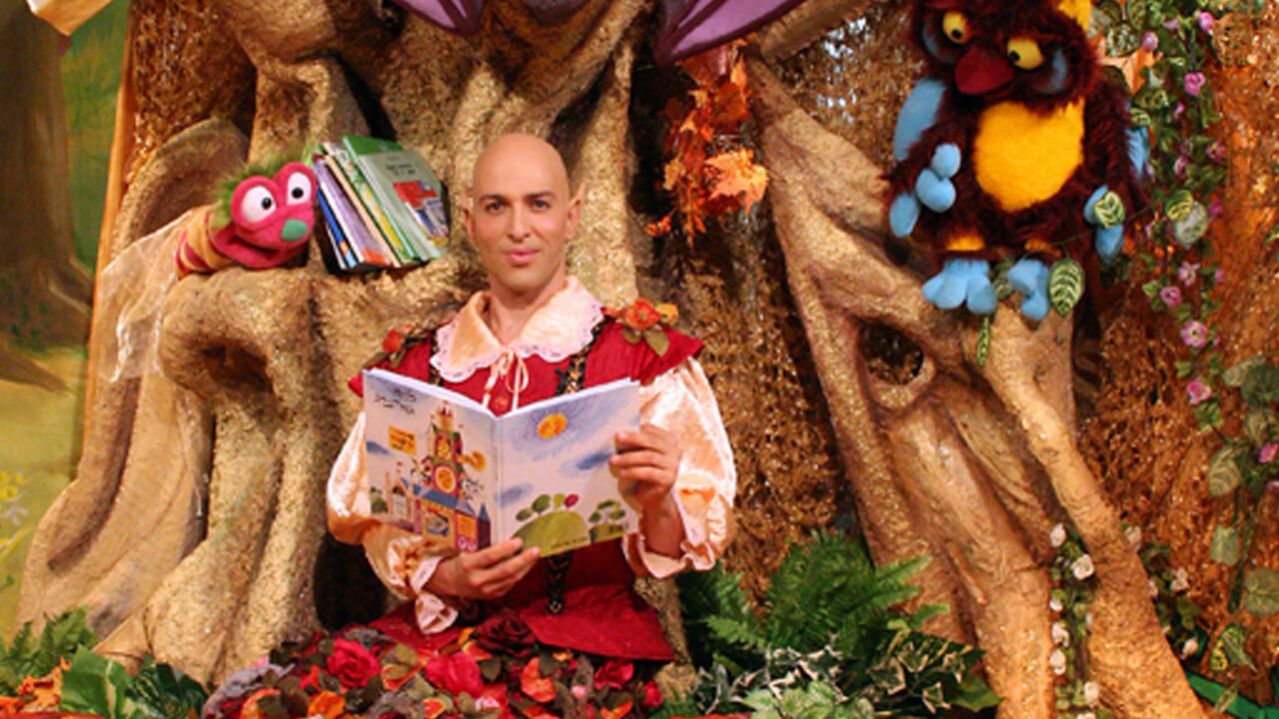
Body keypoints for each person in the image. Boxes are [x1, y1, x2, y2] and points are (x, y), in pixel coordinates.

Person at [323, 133, 736, 717]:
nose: (519, 228)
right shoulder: (414, 369)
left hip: (589, 654)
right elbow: (365, 513)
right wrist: (446, 577)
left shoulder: (638, 359)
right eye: (497, 206)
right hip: (439, 651)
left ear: (572, 216)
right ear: (470, 222)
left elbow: (679, 542)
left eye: (539, 204)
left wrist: (662, 497)